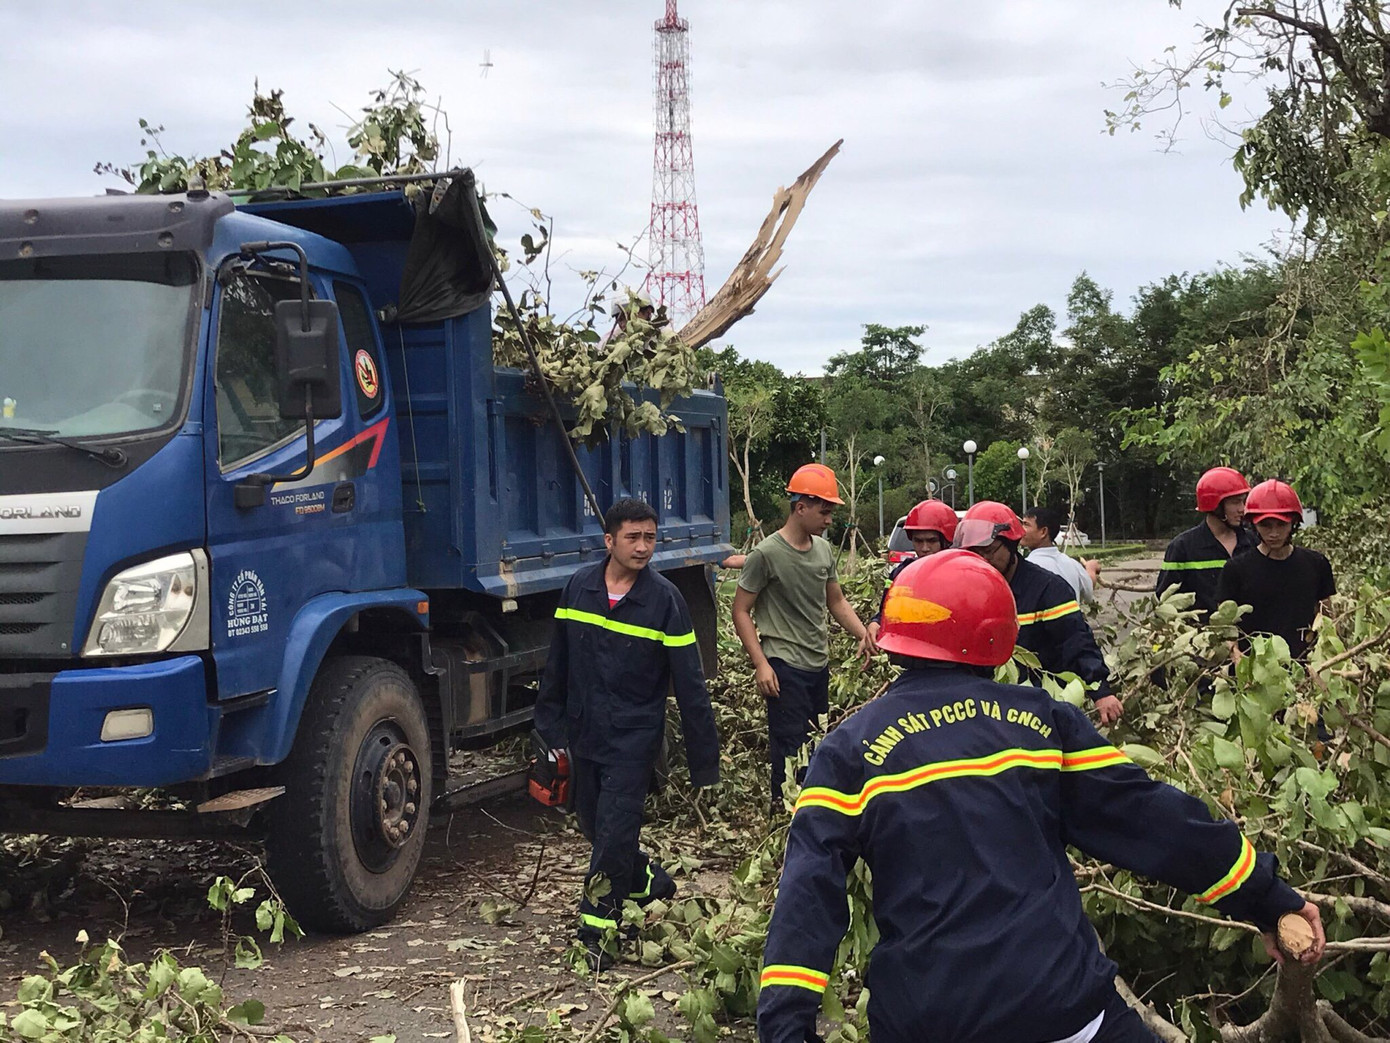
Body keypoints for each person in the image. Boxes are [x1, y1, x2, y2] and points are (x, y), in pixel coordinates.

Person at [756, 550, 1324, 1043]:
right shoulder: (1040, 724)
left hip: (926, 1018)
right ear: (997, 637)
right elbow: (1154, 821)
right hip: (1058, 1006)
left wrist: (786, 1026)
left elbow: (807, 897)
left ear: (892, 635)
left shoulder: (848, 750)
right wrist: (1268, 900)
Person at [533, 498, 720, 969]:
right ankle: (649, 879)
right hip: (583, 735)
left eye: (650, 538)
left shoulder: (665, 601)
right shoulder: (578, 588)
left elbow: (691, 685)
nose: (643, 547)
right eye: (633, 538)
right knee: (595, 828)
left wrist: (704, 763)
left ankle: (596, 934)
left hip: (633, 741)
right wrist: (548, 731)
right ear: (609, 540)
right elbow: (556, 667)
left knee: (614, 835)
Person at [732, 464, 875, 810]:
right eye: (824, 512)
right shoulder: (765, 554)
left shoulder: (823, 551)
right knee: (790, 745)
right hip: (783, 664)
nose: (829, 520)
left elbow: (836, 601)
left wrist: (863, 635)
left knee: (816, 742)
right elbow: (740, 611)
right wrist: (761, 664)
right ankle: (785, 813)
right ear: (800, 507)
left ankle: (809, 808)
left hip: (817, 663)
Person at [954, 501, 1123, 725]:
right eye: (973, 554)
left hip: (1039, 708)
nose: (982, 561)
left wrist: (1101, 692)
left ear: (1012, 545)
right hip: (983, 709)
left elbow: (1075, 640)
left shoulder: (1047, 589)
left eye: (988, 551)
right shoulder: (966, 589)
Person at [1217, 479, 1335, 662]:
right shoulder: (1235, 570)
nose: (1274, 533)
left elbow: (1327, 619)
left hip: (1305, 666)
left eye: (1281, 525)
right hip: (1255, 671)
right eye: (1266, 525)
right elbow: (1226, 625)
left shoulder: (1316, 564)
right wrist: (1237, 657)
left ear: (1294, 523)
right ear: (1254, 525)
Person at [1156, 467, 1256, 620]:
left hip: (1248, 639)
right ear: (1215, 506)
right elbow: (1164, 604)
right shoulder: (1183, 547)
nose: (1242, 509)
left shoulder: (1253, 542)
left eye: (1243, 501)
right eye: (1235, 502)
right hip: (1200, 639)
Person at [866, 498, 957, 645]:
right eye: (918, 541)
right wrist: (875, 623)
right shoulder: (901, 574)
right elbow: (886, 611)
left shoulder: (961, 577)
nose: (924, 548)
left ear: (947, 541)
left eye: (932, 541)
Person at [1022, 505, 1100, 604]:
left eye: (1026, 525)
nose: (1021, 529)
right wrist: (1091, 568)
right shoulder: (1073, 565)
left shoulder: (1025, 569)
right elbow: (1088, 591)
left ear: (1043, 532)